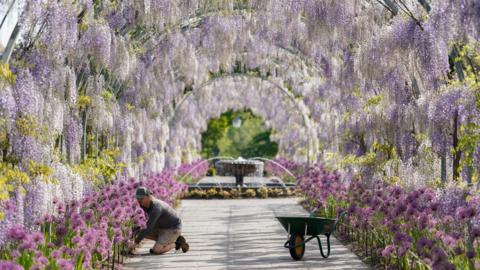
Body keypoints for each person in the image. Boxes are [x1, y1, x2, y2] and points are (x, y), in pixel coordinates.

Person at [128, 186, 189, 254]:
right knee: (138, 230)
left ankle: (177, 243)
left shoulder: (156, 208)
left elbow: (148, 227)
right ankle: (168, 240)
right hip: (162, 227)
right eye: (138, 198)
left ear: (148, 196)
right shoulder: (143, 204)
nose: (139, 200)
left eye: (141, 198)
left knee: (157, 250)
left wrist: (135, 243)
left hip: (173, 228)